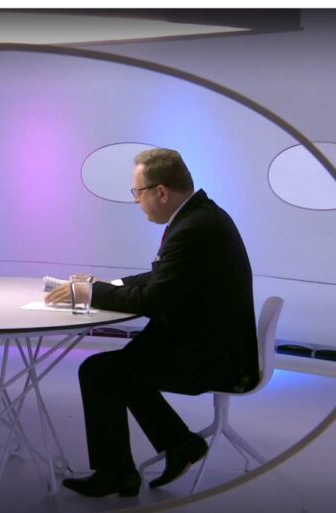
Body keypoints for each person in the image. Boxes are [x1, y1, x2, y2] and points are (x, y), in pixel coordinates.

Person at [46, 148, 258, 497]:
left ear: (161, 192)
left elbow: (152, 300)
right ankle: (175, 445)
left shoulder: (194, 229)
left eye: (138, 192)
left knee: (101, 372)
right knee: (119, 368)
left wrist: (90, 293)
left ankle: (120, 472)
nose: (137, 201)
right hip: (211, 343)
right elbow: (162, 276)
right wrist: (106, 286)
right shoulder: (200, 216)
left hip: (214, 359)